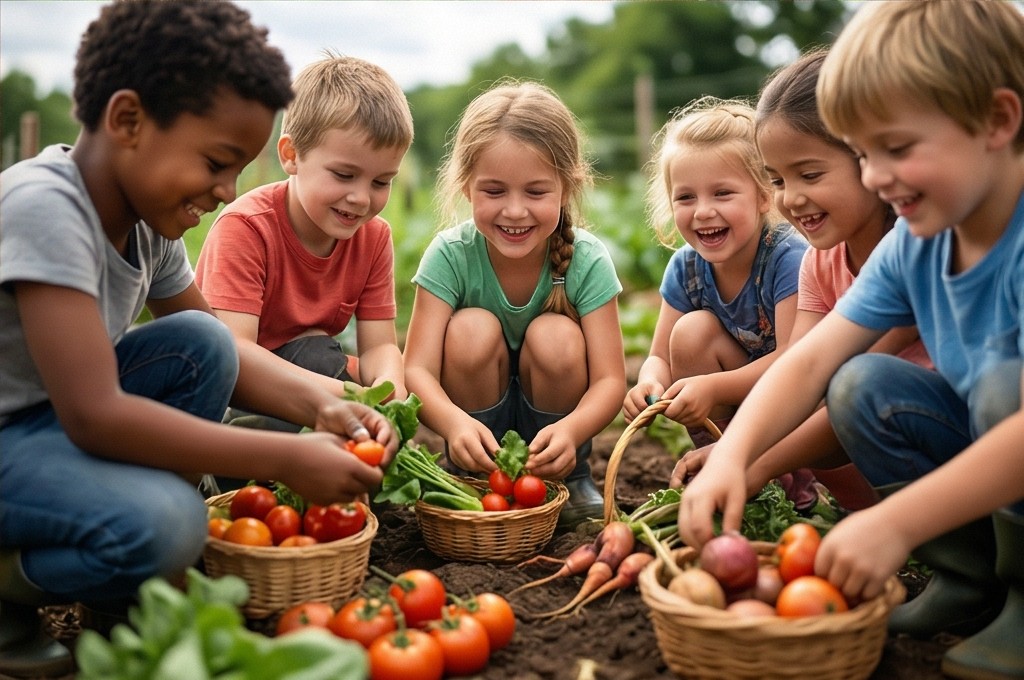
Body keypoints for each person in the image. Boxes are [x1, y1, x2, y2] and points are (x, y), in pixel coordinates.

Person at [0, 2, 397, 677]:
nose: (227, 190)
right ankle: (8, 589)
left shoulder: (148, 220)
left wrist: (319, 406)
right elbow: (95, 415)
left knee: (199, 342)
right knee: (169, 526)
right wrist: (284, 458)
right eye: (217, 162)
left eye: (238, 168)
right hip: (20, 434)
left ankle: (118, 553)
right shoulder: (45, 207)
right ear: (128, 121)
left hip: (47, 430)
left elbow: (219, 348)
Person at [677, 2, 1024, 678]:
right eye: (864, 155)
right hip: (991, 457)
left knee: (1003, 385)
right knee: (861, 384)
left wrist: (894, 524)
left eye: (895, 149)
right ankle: (967, 577)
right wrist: (733, 456)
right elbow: (810, 359)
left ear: (999, 120)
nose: (876, 177)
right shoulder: (921, 243)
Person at [670, 49, 932, 514]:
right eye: (777, 180)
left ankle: (903, 523)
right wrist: (733, 455)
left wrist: (752, 465)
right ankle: (867, 516)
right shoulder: (821, 260)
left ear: (868, 158)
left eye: (809, 174)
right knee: (819, 388)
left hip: (951, 439)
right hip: (892, 440)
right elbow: (802, 367)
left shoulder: (915, 249)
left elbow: (837, 396)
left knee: (849, 385)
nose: (791, 199)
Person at [403, 80, 626, 529]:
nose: (515, 211)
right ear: (466, 186)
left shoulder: (586, 260)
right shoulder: (450, 256)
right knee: (471, 329)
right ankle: (472, 474)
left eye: (536, 192)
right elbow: (416, 371)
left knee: (556, 335)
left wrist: (572, 432)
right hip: (477, 438)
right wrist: (452, 426)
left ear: (568, 186)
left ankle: (571, 476)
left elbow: (610, 381)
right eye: (494, 191)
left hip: (556, 447)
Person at [196, 54, 414, 441]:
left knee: (331, 360)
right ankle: (227, 465)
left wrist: (388, 391)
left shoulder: (373, 237)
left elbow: (380, 347)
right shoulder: (246, 228)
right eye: (344, 175)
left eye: (381, 182)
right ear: (291, 156)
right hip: (236, 396)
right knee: (315, 355)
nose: (361, 198)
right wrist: (351, 399)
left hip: (317, 379)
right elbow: (235, 354)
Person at [622, 97, 808, 502]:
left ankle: (787, 477)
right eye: (686, 198)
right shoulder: (687, 269)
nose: (703, 211)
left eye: (722, 193)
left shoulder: (787, 259)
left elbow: (796, 362)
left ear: (763, 197)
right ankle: (720, 462)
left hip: (793, 410)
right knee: (690, 334)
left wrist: (714, 387)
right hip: (735, 402)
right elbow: (659, 357)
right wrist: (649, 381)